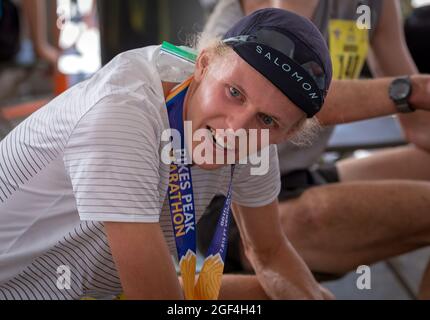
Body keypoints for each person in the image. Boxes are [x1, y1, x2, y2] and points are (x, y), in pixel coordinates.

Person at [0, 8, 334, 300]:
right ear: (203, 65)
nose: (235, 130)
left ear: (286, 134)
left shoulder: (253, 139)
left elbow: (270, 253)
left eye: (267, 120)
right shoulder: (123, 112)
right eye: (234, 93)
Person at [197, 0, 430, 286]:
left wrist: (417, 91)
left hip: (299, 176)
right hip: (227, 201)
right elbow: (286, 102)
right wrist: (413, 89)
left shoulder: (374, 8)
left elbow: (421, 129)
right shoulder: (264, 9)